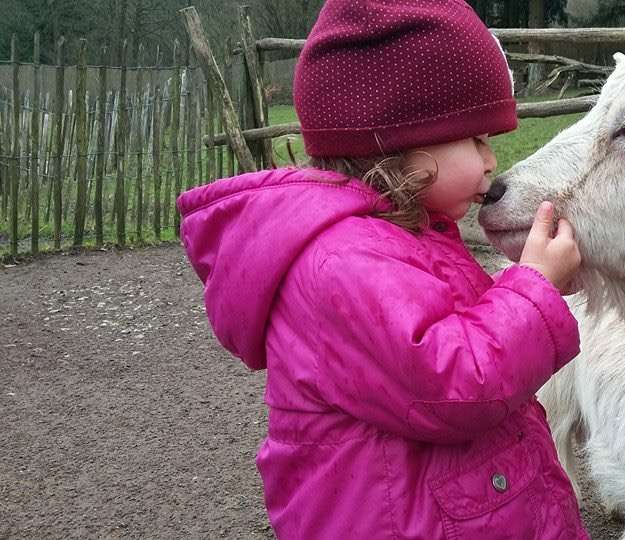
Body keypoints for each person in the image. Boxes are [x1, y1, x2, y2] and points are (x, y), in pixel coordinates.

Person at [177, 0, 586, 537]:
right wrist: (533, 289)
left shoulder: (405, 236)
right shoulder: (342, 263)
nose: (490, 160)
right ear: (399, 144)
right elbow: (454, 384)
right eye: (476, 138)